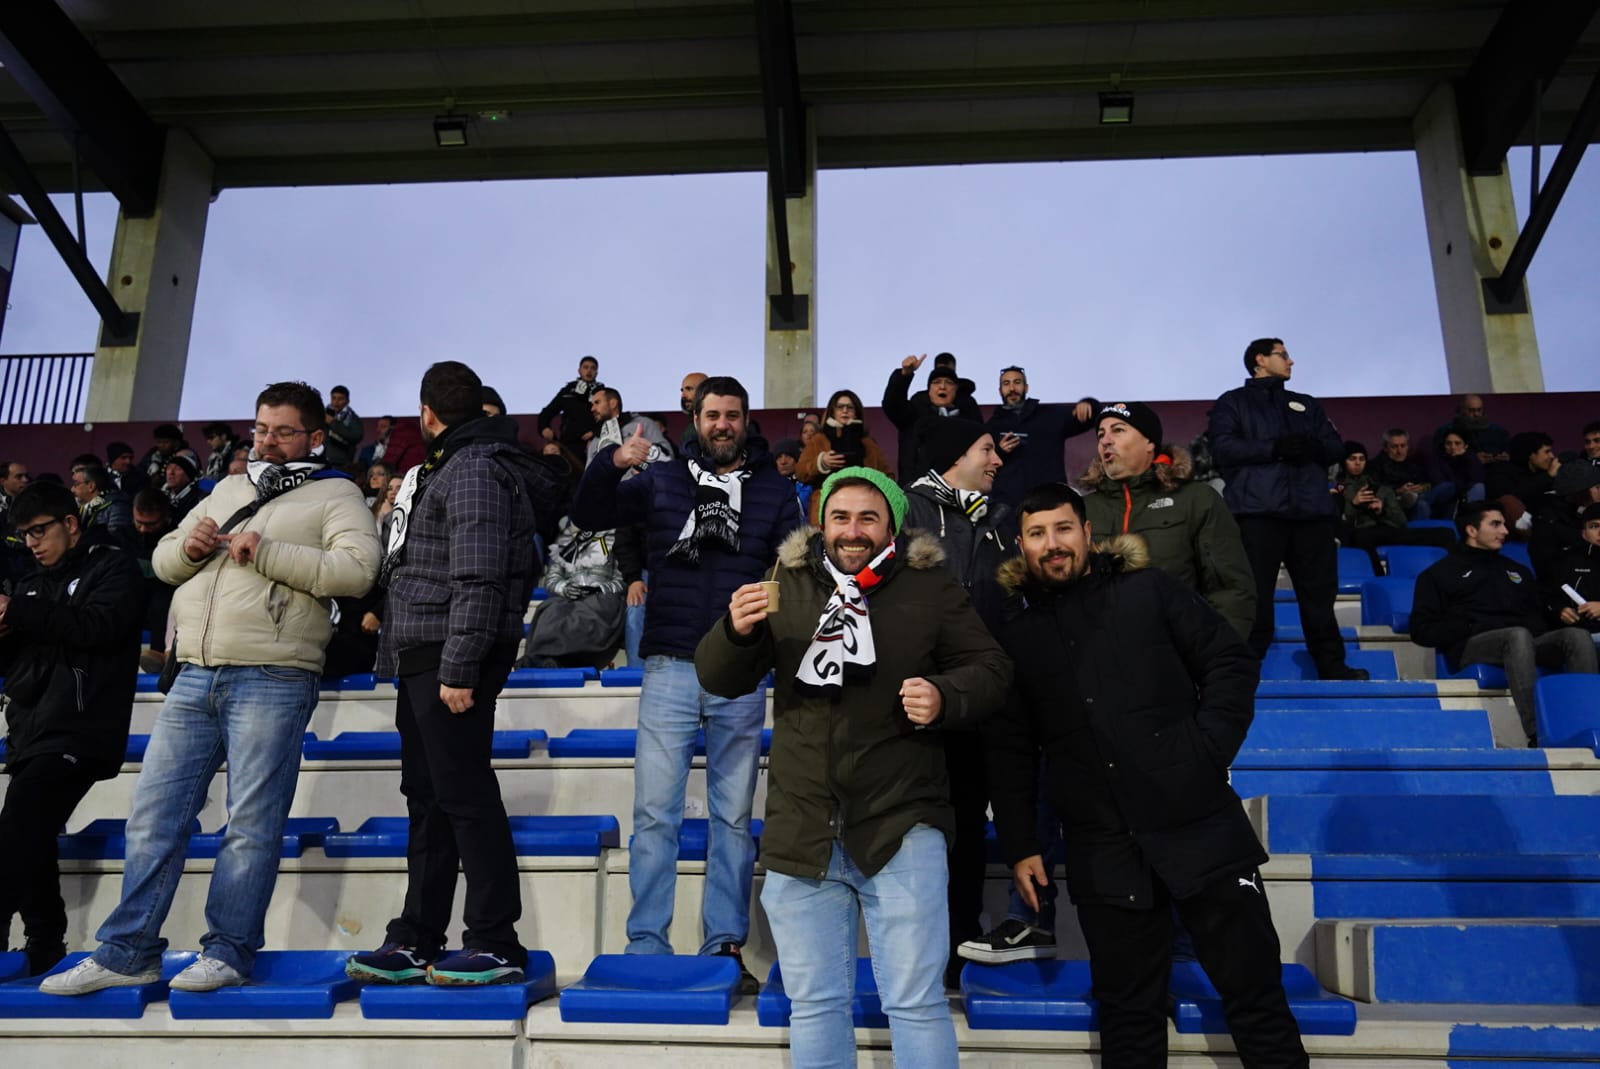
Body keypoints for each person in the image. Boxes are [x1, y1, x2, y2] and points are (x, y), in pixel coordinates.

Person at [42, 381, 382, 996]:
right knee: (151, 818)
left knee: (250, 823)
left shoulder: (339, 493)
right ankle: (128, 952)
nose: (267, 441)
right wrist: (189, 546)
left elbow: (358, 573)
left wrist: (269, 550)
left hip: (275, 674)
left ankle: (227, 951)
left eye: (281, 431)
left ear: (313, 436)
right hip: (195, 670)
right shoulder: (228, 488)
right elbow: (168, 561)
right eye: (260, 429)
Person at [696, 468, 1011, 1068]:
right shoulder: (783, 581)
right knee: (814, 1005)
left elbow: (992, 669)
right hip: (803, 830)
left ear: (891, 524)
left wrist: (946, 695)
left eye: (869, 518)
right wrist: (733, 632)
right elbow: (719, 677)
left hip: (902, 822)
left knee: (915, 1003)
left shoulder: (931, 587)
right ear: (822, 522)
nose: (853, 530)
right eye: (841, 517)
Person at [987, 482, 1308, 1069]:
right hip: (1102, 846)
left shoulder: (1150, 590)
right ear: (1021, 545)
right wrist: (1022, 845)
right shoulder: (1016, 635)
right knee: (1129, 1019)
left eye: (1063, 529)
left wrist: (1206, 749)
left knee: (1257, 1000)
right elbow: (1012, 753)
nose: (1052, 544)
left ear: (1087, 533)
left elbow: (1229, 662)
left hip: (1201, 825)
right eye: (1037, 534)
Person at [962, 400, 1257, 967]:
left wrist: (1201, 710)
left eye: (1119, 430)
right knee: (1051, 777)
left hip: (1162, 704)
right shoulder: (1080, 505)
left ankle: (1184, 931)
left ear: (1151, 443)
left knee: (1171, 820)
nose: (1105, 440)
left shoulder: (1195, 502)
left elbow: (1231, 595)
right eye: (1099, 432)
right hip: (1076, 699)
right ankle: (1032, 917)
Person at [571, 374, 804, 992]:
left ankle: (724, 943)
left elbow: (795, 572)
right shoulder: (660, 481)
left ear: (745, 421)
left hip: (743, 669)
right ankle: (646, 942)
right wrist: (609, 463)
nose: (722, 424)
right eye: (712, 414)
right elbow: (587, 512)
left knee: (731, 818)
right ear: (694, 418)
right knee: (654, 814)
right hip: (672, 663)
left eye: (732, 414)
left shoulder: (777, 491)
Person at [347, 361, 568, 987]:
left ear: (428, 413)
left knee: (465, 798)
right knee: (429, 801)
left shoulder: (472, 469)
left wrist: (461, 666)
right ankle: (418, 937)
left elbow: (478, 575)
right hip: (423, 653)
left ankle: (497, 940)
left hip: (449, 656)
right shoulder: (447, 467)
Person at [0, 482, 144, 976]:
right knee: (29, 831)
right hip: (31, 731)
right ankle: (44, 943)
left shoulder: (113, 566)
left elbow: (98, 628)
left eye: (40, 531)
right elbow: (20, 659)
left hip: (82, 727)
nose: (34, 544)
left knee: (19, 823)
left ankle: (20, 931)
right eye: (24, 536)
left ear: (71, 523)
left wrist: (18, 612)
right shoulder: (30, 585)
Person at [899, 417, 1014, 983]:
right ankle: (918, 953)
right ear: (953, 455)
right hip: (919, 706)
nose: (997, 459)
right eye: (986, 449)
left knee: (969, 829)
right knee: (922, 830)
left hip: (981, 701)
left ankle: (957, 950)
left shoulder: (998, 518)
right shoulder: (911, 511)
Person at [1208, 338, 1368, 679]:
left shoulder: (1306, 404)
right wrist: (1275, 447)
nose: (1291, 361)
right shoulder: (1232, 402)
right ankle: (1242, 670)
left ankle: (1331, 664)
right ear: (1260, 360)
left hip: (1312, 513)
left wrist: (1310, 446)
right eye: (1283, 355)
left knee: (1320, 595)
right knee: (1255, 595)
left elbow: (1334, 446)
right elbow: (1223, 449)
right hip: (1257, 513)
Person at [1410, 502, 1598, 747]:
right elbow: (1421, 630)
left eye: (1504, 524)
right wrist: (1467, 626)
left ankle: (1588, 722)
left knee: (1575, 636)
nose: (1505, 531)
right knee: (1517, 635)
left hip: (1521, 642)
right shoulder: (1439, 574)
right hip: (1471, 645)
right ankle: (1538, 733)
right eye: (1495, 524)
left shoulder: (1516, 570)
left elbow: (1537, 617)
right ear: (1471, 530)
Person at [985, 365, 1097, 509]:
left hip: (1051, 501)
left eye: (1017, 382)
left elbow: (1090, 416)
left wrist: (1089, 404)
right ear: (1000, 390)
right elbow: (983, 465)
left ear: (1026, 387)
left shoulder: (1050, 415)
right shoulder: (991, 426)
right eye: (1006, 384)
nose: (1012, 388)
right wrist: (1000, 452)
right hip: (1008, 508)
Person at [1335, 442, 1453, 573]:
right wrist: (1354, 504)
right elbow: (1340, 522)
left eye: (1361, 459)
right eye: (1352, 459)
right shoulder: (1338, 489)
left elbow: (1401, 522)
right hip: (1358, 534)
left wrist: (1382, 511)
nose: (1357, 463)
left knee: (1445, 533)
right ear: (1343, 462)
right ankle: (1378, 578)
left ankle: (1455, 575)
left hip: (1385, 530)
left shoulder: (1381, 487)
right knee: (1361, 536)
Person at [795, 389, 894, 522]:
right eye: (840, 407)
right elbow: (800, 472)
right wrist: (821, 462)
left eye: (850, 407)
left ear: (856, 412)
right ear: (832, 411)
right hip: (825, 511)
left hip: (862, 508)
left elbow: (888, 477)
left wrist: (871, 481)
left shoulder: (868, 443)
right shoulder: (819, 440)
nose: (845, 410)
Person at [882, 355, 980, 479]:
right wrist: (904, 375)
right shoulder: (913, 414)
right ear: (929, 389)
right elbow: (892, 405)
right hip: (916, 489)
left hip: (959, 489)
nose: (942, 386)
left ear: (955, 390)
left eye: (949, 383)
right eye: (936, 382)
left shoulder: (968, 417)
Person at [1541, 502, 1600, 655]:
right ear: (1584, 533)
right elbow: (1546, 597)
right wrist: (1560, 611)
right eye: (1594, 526)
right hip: (1579, 634)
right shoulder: (1564, 561)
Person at [1369, 428, 1454, 520]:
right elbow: (1376, 489)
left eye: (1403, 446)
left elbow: (1427, 482)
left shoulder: (1414, 463)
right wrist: (1398, 491)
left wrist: (1422, 487)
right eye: (1394, 447)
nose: (1399, 451)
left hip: (1419, 495)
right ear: (1385, 448)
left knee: (1448, 486)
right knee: (1422, 505)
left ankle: (1416, 499)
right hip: (1395, 501)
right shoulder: (1375, 465)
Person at [539, 355, 604, 451]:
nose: (589, 371)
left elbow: (611, 417)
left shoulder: (602, 392)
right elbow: (548, 411)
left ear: (596, 373)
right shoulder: (568, 390)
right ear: (579, 371)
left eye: (593, 368)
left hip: (595, 441)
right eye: (585, 367)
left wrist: (595, 432)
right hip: (570, 442)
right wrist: (544, 427)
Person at [1432, 394, 1510, 466]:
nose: (1476, 414)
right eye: (1471, 410)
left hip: (1497, 469)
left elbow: (1508, 450)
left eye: (1479, 410)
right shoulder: (1447, 430)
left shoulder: (1498, 431)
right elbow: (1439, 458)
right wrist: (1472, 459)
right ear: (1462, 410)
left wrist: (1505, 456)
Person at [1423, 429, 1486, 517]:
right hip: (1442, 498)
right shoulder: (1435, 459)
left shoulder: (1470, 458)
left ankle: (1473, 522)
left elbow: (1476, 479)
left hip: (1461, 498)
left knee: (1479, 487)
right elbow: (1441, 483)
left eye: (1457, 443)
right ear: (1443, 445)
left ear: (1466, 445)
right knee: (1448, 486)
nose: (1453, 447)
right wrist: (1454, 460)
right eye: (1448, 443)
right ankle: (1418, 501)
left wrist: (1465, 458)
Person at [70, 464, 133, 542]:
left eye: (76, 484)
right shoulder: (83, 509)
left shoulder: (117, 508)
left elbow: (116, 541)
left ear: (91, 486)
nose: (72, 490)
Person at [324, 385, 365, 470]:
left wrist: (333, 423)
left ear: (347, 401)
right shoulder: (322, 414)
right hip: (322, 459)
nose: (336, 402)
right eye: (333, 398)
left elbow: (356, 437)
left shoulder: (353, 418)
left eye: (340, 399)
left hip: (342, 463)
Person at [162, 454, 206, 524]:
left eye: (178, 469)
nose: (171, 472)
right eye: (169, 468)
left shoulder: (196, 498)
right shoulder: (160, 495)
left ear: (188, 476)